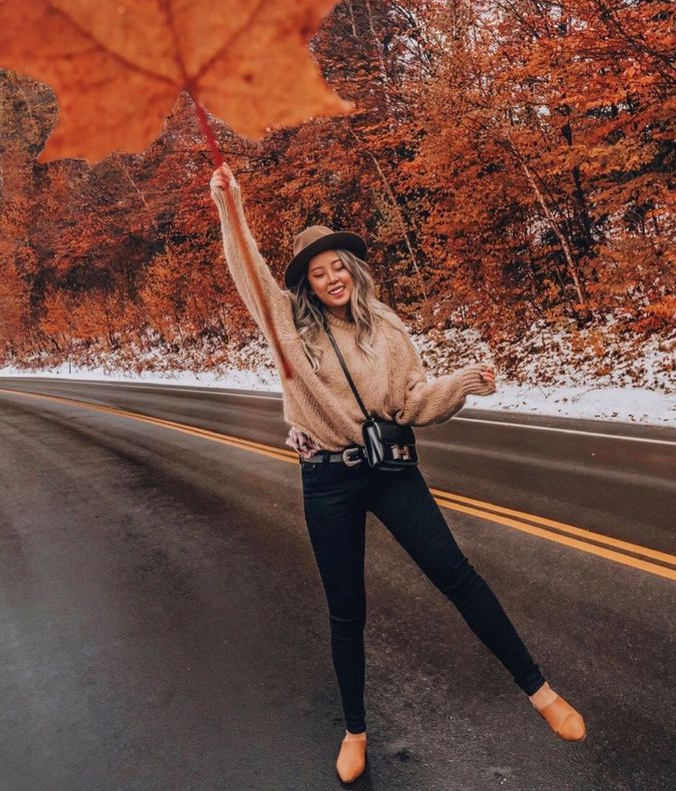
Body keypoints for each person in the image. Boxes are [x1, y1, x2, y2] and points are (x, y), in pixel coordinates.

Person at [210, 163, 586, 784]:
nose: (330, 277)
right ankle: (355, 731)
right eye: (317, 271)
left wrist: (462, 382)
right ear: (305, 282)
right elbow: (245, 268)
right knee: (346, 608)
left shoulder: (386, 327)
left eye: (338, 266)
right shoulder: (286, 325)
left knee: (458, 576)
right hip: (326, 480)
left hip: (390, 472)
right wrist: (232, 206)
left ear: (353, 271)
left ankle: (541, 693)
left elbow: (412, 400)